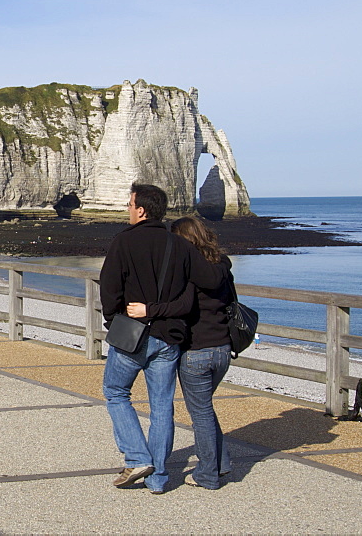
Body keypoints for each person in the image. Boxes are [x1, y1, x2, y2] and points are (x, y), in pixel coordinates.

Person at [99, 183, 225, 494]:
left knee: (116, 393)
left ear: (141, 209)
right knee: (161, 406)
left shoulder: (122, 242)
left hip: (132, 335)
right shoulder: (179, 246)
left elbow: (110, 289)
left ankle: (138, 457)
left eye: (130, 204)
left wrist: (114, 322)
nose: (128, 209)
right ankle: (157, 480)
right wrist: (223, 263)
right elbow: (210, 278)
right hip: (169, 337)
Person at [130, 216, 234, 490]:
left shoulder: (189, 271)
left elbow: (183, 306)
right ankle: (221, 463)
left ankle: (208, 475)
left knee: (200, 413)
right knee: (205, 409)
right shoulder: (222, 266)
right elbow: (231, 303)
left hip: (196, 350)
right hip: (223, 348)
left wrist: (148, 310)